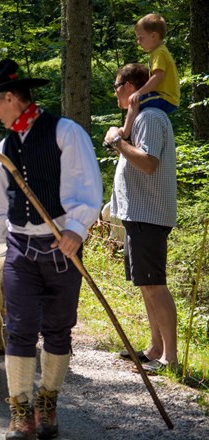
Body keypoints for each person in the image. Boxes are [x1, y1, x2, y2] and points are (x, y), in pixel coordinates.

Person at [0, 59, 102, 440]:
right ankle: (20, 410)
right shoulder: (4, 148)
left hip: (62, 248)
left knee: (59, 329)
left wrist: (76, 230)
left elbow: (88, 189)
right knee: (20, 328)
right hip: (21, 250)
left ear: (11, 97)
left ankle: (48, 401)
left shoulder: (65, 132)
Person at [104, 63, 178, 375]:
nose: (115, 92)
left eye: (118, 85)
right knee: (146, 284)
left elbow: (148, 163)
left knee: (154, 284)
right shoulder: (141, 117)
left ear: (133, 85)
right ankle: (155, 348)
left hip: (149, 214)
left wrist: (118, 143)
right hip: (138, 214)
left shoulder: (150, 117)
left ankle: (170, 358)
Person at [119, 13, 179, 140]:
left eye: (141, 38)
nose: (138, 42)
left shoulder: (159, 53)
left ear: (153, 36)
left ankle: (125, 133)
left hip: (165, 97)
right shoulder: (159, 52)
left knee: (133, 101)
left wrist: (139, 93)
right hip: (165, 97)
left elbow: (158, 76)